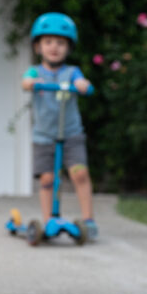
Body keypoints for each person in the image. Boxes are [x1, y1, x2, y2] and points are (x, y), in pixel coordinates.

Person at [21, 13, 98, 238]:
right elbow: (25, 82)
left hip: (71, 134)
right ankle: (49, 221)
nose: (54, 47)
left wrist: (83, 85)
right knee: (47, 179)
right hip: (44, 136)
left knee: (79, 174)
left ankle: (89, 220)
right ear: (38, 46)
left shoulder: (71, 72)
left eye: (60, 43)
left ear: (69, 47)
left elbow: (82, 82)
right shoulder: (36, 72)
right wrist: (30, 83)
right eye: (48, 42)